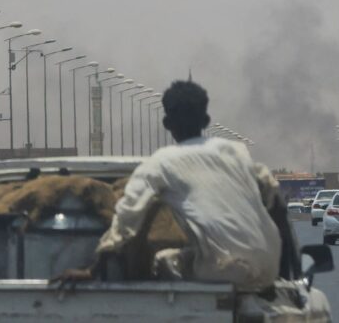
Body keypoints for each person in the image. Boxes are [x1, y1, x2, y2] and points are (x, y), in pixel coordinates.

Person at [65, 80, 283, 291]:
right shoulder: (236, 151)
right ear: (206, 121)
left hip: (222, 270)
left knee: (164, 261)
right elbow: (272, 190)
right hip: (271, 265)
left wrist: (92, 270)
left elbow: (126, 219)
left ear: (167, 124)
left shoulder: (160, 163)